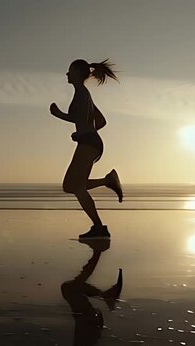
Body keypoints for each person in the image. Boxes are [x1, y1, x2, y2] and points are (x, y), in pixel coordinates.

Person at [50, 59, 123, 239]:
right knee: (71, 185)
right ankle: (108, 181)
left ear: (76, 73)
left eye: (69, 71)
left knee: (75, 186)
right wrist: (84, 133)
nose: (66, 74)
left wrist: (58, 114)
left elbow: (77, 118)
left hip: (89, 144)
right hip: (91, 142)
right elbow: (101, 122)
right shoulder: (84, 95)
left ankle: (99, 227)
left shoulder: (82, 94)